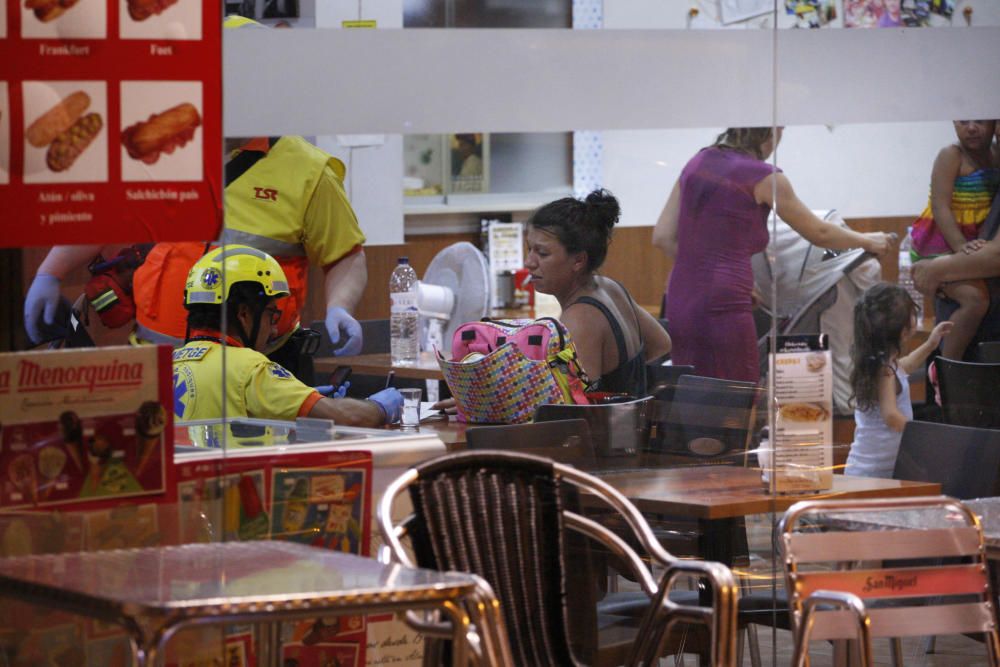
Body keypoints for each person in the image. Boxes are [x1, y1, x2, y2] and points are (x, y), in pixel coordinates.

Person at [23, 15, 368, 373]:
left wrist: (339, 307)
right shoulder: (157, 149)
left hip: (258, 373)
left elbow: (345, 255)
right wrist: (49, 274)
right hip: (157, 364)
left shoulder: (309, 171)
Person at [653, 126, 891, 384]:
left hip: (681, 297)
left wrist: (707, 268)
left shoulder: (697, 162)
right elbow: (819, 232)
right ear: (770, 132)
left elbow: (663, 237)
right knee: (737, 393)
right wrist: (868, 240)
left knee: (691, 390)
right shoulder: (764, 177)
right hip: (725, 303)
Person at [171, 245, 401, 426]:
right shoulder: (250, 369)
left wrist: (300, 399)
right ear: (243, 313)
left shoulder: (169, 363)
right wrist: (381, 406)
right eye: (272, 315)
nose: (273, 330)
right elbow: (351, 418)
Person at [525, 189, 672, 396]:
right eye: (529, 249)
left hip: (609, 428)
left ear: (578, 260)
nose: (529, 262)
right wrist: (628, 390)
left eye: (542, 253)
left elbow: (573, 409)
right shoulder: (610, 287)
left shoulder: (579, 319)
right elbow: (661, 343)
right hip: (632, 425)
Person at [909, 120, 998, 359]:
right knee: (975, 300)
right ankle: (947, 364)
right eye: (963, 121)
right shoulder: (951, 155)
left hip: (968, 243)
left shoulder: (994, 155)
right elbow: (940, 206)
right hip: (938, 244)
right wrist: (960, 245)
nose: (971, 128)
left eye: (980, 121)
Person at [844, 283, 952, 478]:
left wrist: (930, 344)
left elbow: (906, 366)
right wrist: (922, 435)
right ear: (903, 330)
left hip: (871, 469)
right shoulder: (884, 369)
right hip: (873, 473)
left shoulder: (883, 363)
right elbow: (891, 415)